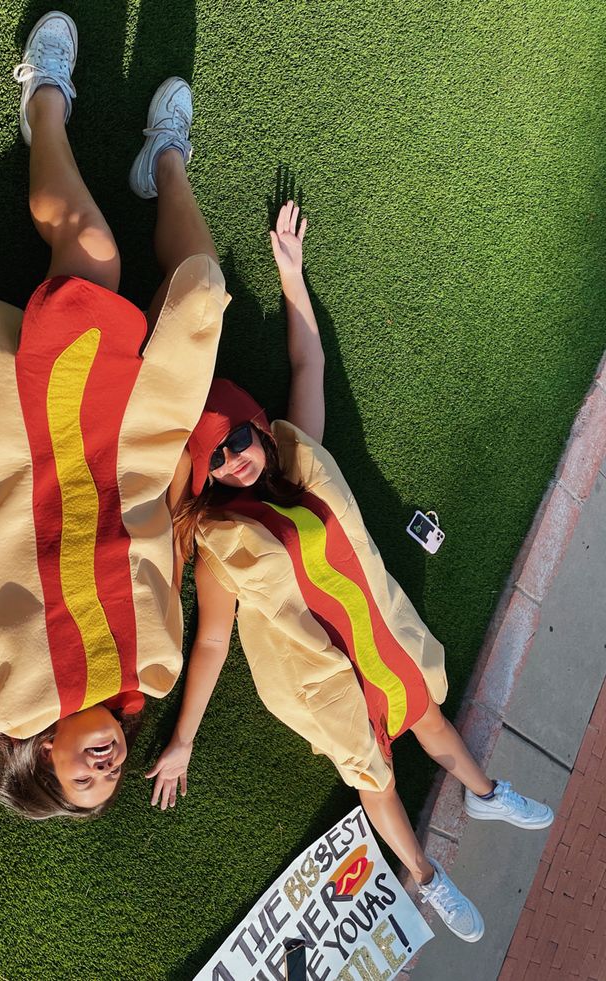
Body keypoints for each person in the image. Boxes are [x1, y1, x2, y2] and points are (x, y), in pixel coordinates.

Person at [147, 201, 554, 942]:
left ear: (257, 429)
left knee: (428, 713)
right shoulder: (223, 537)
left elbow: (310, 361)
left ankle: (485, 792)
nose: (233, 458)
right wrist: (184, 738)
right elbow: (212, 642)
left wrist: (291, 275)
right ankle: (427, 880)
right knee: (377, 777)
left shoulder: (302, 458)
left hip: (376, 633)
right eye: (215, 460)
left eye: (236, 438)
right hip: (323, 673)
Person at [0, 12, 227, 819]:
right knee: (201, 290)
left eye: (83, 778)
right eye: (111, 779)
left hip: (47, 439)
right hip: (134, 445)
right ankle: (165, 162)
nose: (106, 767)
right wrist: (182, 450)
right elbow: (164, 550)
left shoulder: (1, 701)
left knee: (94, 251)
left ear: (41, 759)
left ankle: (45, 100)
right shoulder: (156, 671)